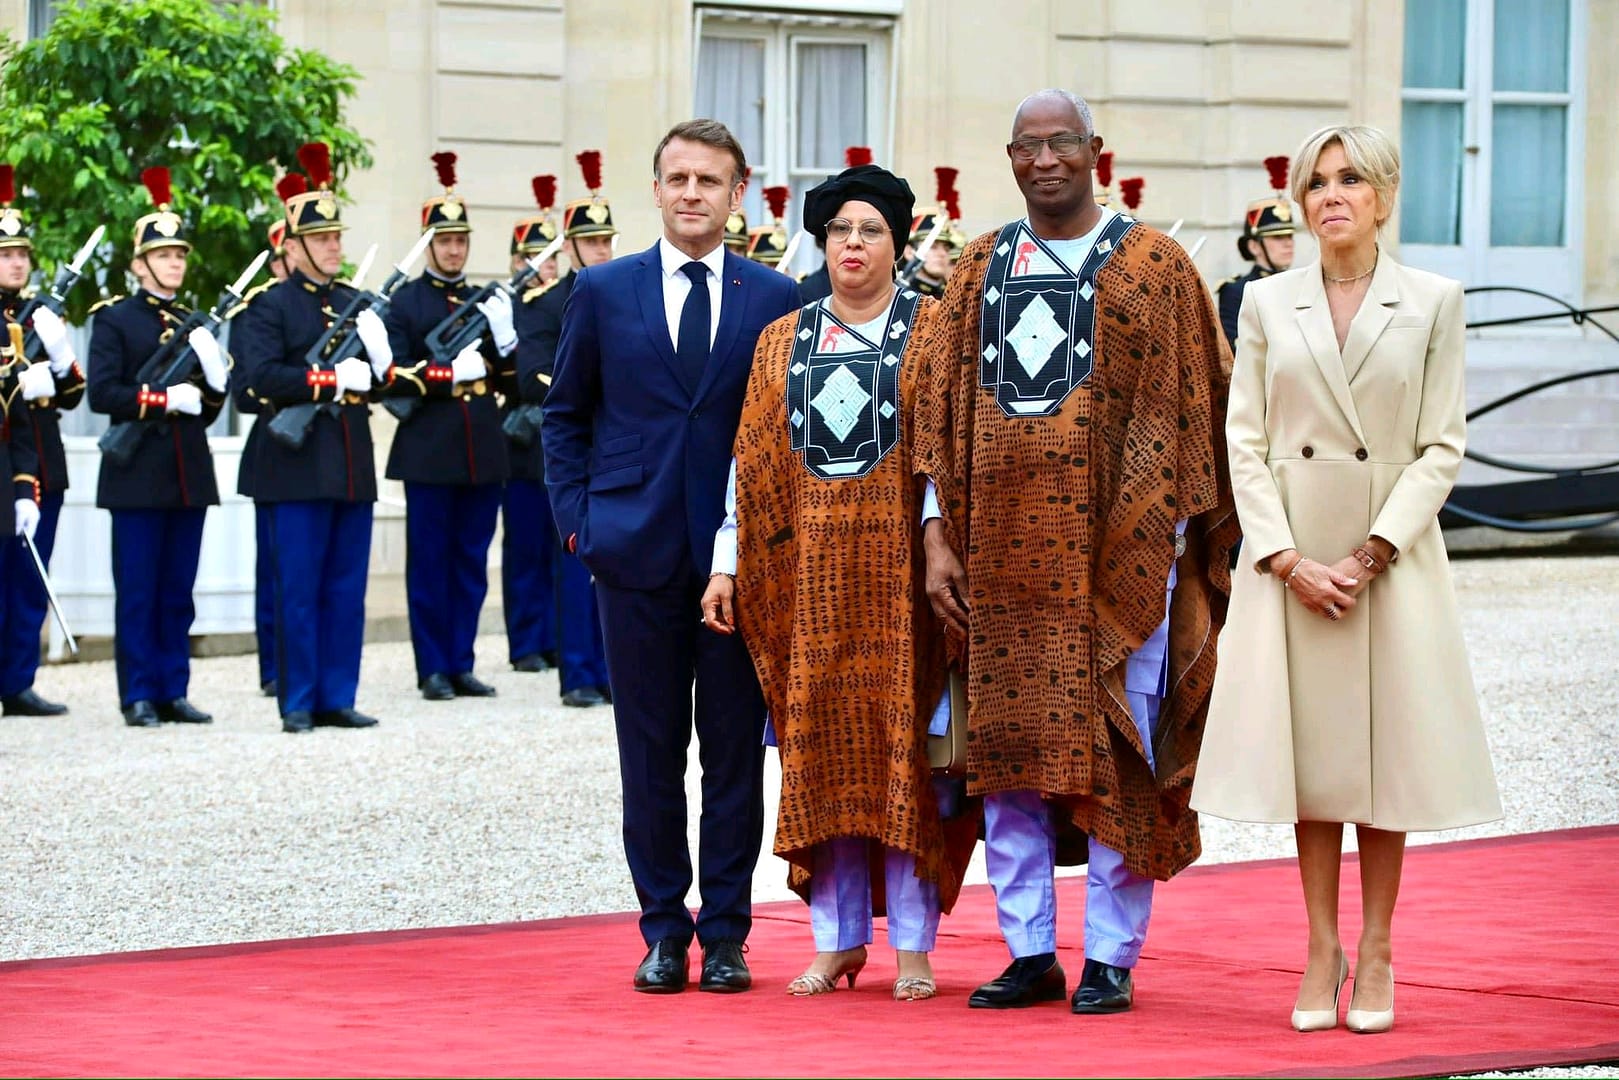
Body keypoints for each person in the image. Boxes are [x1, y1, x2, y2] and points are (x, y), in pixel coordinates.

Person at [914, 88, 1239, 1014]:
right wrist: (937, 535)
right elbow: (935, 418)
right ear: (1008, 157)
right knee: (1009, 757)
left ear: (1096, 149)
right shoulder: (975, 269)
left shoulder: (1154, 268)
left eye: (1062, 143)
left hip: (1121, 567)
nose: (1045, 159)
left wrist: (1165, 556)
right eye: (1028, 146)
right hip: (997, 563)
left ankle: (1109, 953)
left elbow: (1187, 414)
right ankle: (1027, 951)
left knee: (1116, 748)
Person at [1191, 124, 1502, 1035]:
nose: (1330, 195)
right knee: (1315, 760)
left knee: (1381, 759)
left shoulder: (1434, 300)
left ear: (1384, 195)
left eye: (1349, 180)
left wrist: (1371, 552)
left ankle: (1375, 948)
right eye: (1315, 182)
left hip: (1386, 558)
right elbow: (1241, 439)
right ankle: (1319, 944)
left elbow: (1441, 445)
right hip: (1290, 554)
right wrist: (1282, 557)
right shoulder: (1261, 302)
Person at [700, 162, 973, 1001]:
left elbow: (943, 455)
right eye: (840, 232)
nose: (853, 245)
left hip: (902, 589)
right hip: (809, 585)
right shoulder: (782, 340)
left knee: (909, 761)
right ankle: (836, 941)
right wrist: (726, 563)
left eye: (871, 232)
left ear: (897, 243)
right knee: (823, 760)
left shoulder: (932, 333)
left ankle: (916, 948)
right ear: (822, 242)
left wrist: (939, 542)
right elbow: (750, 463)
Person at [543, 119, 801, 993]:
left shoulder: (777, 296)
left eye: (710, 180)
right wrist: (580, 525)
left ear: (739, 194)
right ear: (654, 190)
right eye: (677, 178)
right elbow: (565, 416)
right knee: (649, 754)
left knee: (732, 753)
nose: (692, 193)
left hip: (740, 565)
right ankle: (661, 929)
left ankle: (726, 933)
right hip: (632, 553)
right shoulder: (605, 291)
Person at [233, 141, 390, 734]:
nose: (333, 246)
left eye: (336, 237)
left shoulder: (355, 303)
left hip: (349, 463)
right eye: (320, 239)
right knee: (297, 589)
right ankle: (297, 699)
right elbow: (258, 379)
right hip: (293, 467)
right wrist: (327, 379)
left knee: (346, 589)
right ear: (291, 247)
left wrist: (377, 361)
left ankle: (336, 695)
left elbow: (379, 384)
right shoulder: (268, 306)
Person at [87, 167, 227, 729]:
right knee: (140, 591)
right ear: (139, 263)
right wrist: (163, 398)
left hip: (187, 472)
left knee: (177, 592)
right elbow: (103, 393)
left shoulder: (193, 323)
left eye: (179, 255)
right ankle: (138, 693)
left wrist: (213, 378)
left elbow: (210, 405)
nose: (174, 263)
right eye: (163, 255)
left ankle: (173, 688)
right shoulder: (115, 320)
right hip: (137, 473)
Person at [381, 152, 511, 702]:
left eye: (461, 240)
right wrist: (443, 374)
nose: (455, 249)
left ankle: (461, 660)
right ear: (428, 242)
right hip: (431, 447)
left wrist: (506, 340)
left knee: (471, 564)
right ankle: (432, 665)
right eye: (445, 240)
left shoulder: (486, 301)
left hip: (481, 443)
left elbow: (512, 375)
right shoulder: (405, 302)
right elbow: (393, 377)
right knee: (430, 563)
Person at [523, 151, 616, 708]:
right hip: (578, 448)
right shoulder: (545, 303)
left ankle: (606, 669)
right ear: (572, 245)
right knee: (574, 564)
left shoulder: (622, 292)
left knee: (616, 571)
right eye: (593, 241)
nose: (603, 249)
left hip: (618, 448)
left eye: (608, 240)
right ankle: (577, 672)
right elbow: (535, 373)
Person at [0, 166, 81, 717]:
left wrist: (57, 356)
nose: (17, 262)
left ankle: (16, 679)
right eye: (7, 254)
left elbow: (74, 393)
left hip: (41, 463)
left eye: (23, 254)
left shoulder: (41, 314)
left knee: (31, 579)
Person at [231, 207, 297, 699]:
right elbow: (246, 389)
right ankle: (273, 666)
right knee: (274, 568)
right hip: (272, 444)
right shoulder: (258, 310)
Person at [499, 174, 562, 675]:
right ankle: (526, 640)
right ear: (517, 262)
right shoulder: (511, 309)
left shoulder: (566, 301)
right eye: (532, 259)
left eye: (550, 258)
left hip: (562, 444)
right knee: (525, 548)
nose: (543, 268)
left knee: (560, 547)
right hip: (524, 444)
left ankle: (557, 638)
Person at [1215, 156, 1296, 355]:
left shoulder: (1301, 286)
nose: (1288, 243)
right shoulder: (1235, 291)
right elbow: (1234, 351)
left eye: (1289, 236)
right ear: (1254, 246)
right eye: (1277, 237)